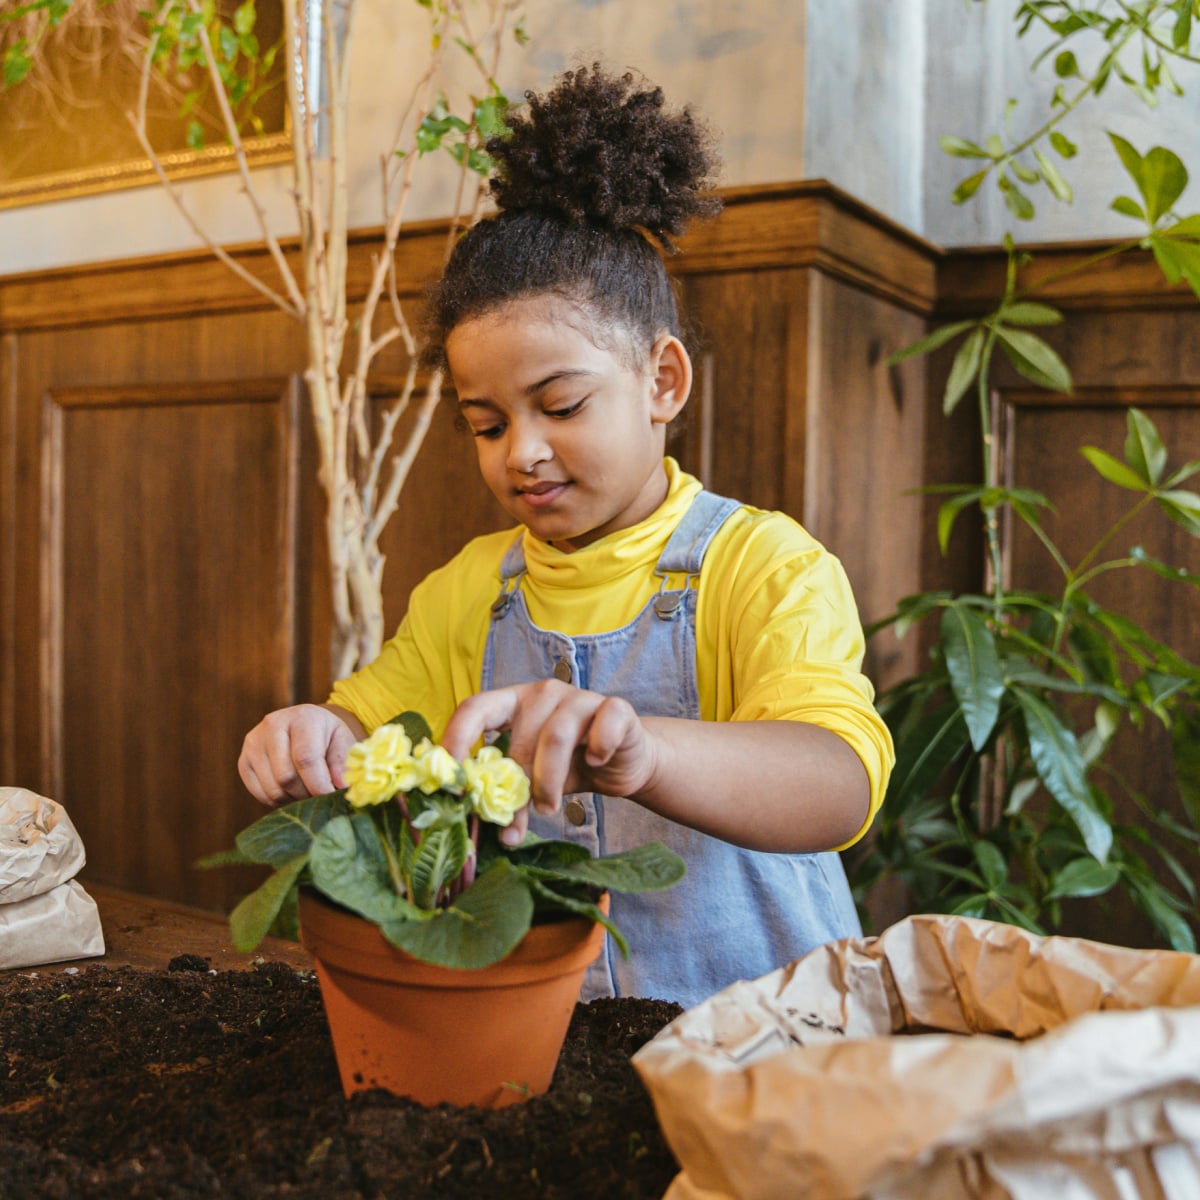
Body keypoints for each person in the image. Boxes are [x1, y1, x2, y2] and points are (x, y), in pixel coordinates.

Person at [238, 64, 894, 1007]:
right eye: (487, 424)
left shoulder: (764, 565)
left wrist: (649, 756)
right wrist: (313, 735)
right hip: (554, 1047)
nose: (524, 454)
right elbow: (369, 727)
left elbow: (838, 782)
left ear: (663, 381)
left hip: (773, 1047)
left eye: (562, 404)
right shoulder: (471, 588)